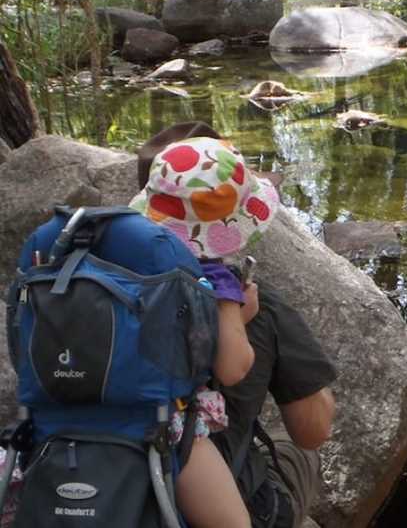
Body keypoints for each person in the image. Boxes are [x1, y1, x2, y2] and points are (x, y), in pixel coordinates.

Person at [137, 123, 337, 528]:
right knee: (300, 454)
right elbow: (312, 431)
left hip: (112, 460)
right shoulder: (240, 298)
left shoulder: (114, 279)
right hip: (198, 468)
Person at [131, 134, 282, 528]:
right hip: (163, 422)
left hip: (78, 407)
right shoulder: (214, 278)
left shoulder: (122, 254)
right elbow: (232, 367)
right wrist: (241, 318)